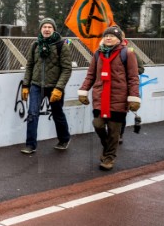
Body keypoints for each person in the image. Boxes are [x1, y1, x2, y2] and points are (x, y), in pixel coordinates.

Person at [77, 26, 140, 171]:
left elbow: (133, 78)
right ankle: (107, 149)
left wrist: (134, 97)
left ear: (119, 39)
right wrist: (83, 90)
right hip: (100, 97)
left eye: (112, 36)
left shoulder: (127, 54)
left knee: (113, 131)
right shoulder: (98, 54)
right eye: (106, 36)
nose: (108, 38)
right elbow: (91, 75)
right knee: (98, 124)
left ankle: (109, 158)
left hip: (119, 98)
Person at [20, 17, 72, 154]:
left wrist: (59, 88)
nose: (47, 29)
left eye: (50, 27)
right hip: (36, 85)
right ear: (41, 29)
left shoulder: (62, 46)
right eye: (44, 27)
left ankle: (64, 139)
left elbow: (67, 69)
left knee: (57, 113)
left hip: (55, 87)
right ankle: (30, 145)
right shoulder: (35, 45)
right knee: (32, 114)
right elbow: (30, 66)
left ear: (54, 29)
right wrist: (26, 85)